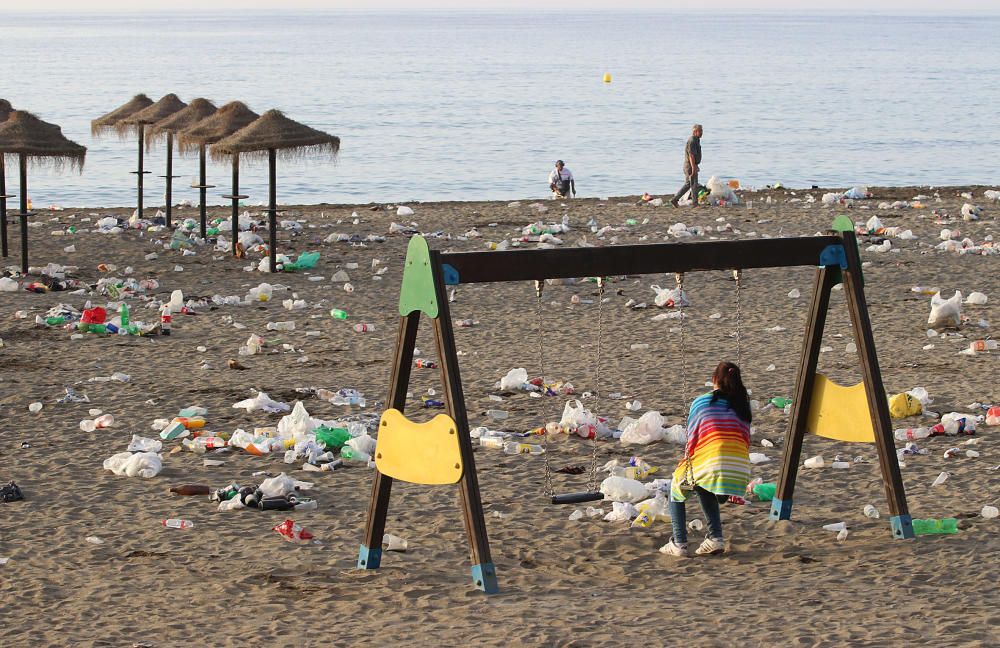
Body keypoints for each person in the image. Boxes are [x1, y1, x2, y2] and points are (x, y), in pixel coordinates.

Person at [660, 361, 752, 557]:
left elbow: (692, 437)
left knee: (677, 485)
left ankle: (679, 543)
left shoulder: (702, 402)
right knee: (701, 483)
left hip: (715, 464)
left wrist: (685, 461)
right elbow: (745, 437)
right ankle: (715, 538)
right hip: (740, 469)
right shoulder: (743, 404)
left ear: (714, 380)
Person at [671, 124, 703, 207]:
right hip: (689, 165)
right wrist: (693, 168)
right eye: (700, 131)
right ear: (695, 132)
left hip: (693, 164)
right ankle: (693, 202)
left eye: (702, 131)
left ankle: (676, 199)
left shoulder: (697, 140)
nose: (701, 133)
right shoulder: (692, 140)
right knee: (692, 184)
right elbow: (691, 155)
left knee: (691, 184)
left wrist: (696, 165)